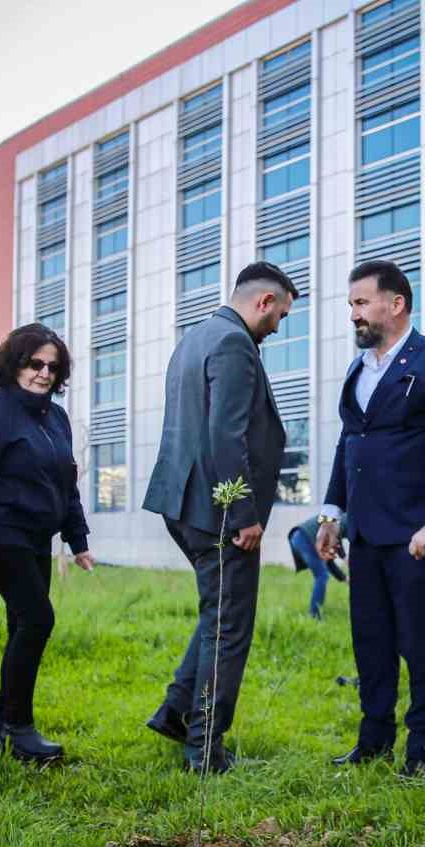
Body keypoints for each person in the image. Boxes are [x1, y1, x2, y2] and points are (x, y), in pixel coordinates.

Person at [318, 260, 425, 780]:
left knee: (422, 646)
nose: (354, 315)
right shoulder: (358, 369)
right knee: (372, 643)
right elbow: (350, 442)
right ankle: (373, 740)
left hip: (417, 537)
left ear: (396, 303)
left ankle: (423, 754)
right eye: (351, 306)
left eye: (361, 303)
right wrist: (331, 513)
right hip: (364, 533)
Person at [141, 262, 296, 774]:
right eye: (281, 316)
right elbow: (226, 434)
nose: (278, 328)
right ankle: (205, 750)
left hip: (182, 504)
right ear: (264, 302)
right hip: (218, 511)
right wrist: (243, 513)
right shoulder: (233, 343)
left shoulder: (195, 337)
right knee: (230, 627)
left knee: (217, 614)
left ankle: (174, 712)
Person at [0, 323, 94, 765]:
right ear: (15, 364)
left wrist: (78, 539)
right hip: (2, 535)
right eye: (36, 363)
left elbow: (67, 484)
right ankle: (18, 727)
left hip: (38, 539)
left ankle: (1, 724)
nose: (44, 373)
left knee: (21, 625)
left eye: (53, 366)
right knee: (38, 620)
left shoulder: (57, 418)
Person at [288, 512, 347, 619]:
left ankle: (314, 614)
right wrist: (344, 557)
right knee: (322, 576)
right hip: (304, 537)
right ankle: (314, 615)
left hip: (298, 536)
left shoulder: (337, 521)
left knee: (322, 572)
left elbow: (329, 561)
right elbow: (336, 534)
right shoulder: (344, 517)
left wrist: (344, 578)